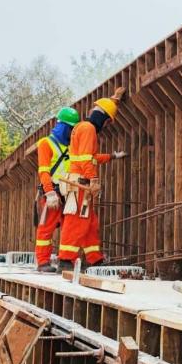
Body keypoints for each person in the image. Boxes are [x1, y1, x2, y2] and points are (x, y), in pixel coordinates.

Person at [58, 88, 127, 270]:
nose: (105, 127)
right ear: (102, 119)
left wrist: (113, 156)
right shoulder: (88, 129)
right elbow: (86, 159)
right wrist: (94, 179)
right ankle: (65, 260)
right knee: (77, 222)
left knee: (89, 223)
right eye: (106, 122)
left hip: (81, 181)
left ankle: (95, 259)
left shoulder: (82, 127)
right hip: (81, 182)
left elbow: (91, 157)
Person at [34, 106, 80, 272]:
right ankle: (42, 262)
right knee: (47, 228)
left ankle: (66, 261)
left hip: (69, 193)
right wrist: (49, 192)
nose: (72, 133)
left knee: (70, 228)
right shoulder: (46, 143)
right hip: (53, 192)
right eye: (71, 129)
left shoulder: (72, 146)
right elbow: (44, 171)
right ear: (63, 127)